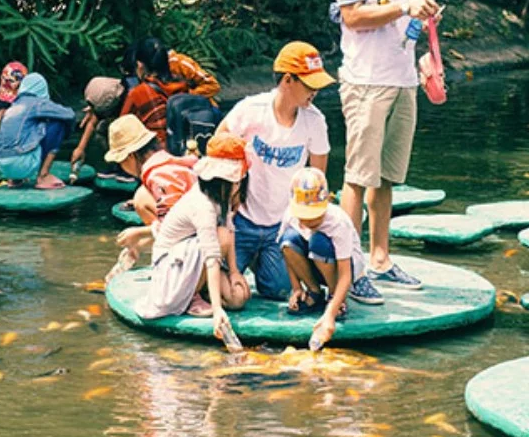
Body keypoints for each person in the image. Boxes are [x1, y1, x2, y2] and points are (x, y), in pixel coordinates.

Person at [331, 0, 441, 290]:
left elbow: (405, 2)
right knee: (358, 177)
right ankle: (349, 267)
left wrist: (421, 14)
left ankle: (379, 258)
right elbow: (352, 16)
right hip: (365, 79)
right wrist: (402, 7)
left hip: (402, 76)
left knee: (388, 177)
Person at [219, 41, 333, 301]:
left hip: (281, 225)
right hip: (241, 221)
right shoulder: (251, 110)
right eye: (309, 84)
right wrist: (231, 193)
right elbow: (218, 143)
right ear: (287, 80)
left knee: (278, 290)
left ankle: (266, 262)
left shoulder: (314, 121)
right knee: (229, 293)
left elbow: (318, 180)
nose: (315, 91)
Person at [144, 133, 252, 350]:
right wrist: (217, 310)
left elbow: (230, 231)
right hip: (171, 271)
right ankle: (192, 296)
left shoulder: (224, 199)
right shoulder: (202, 204)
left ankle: (200, 290)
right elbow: (212, 256)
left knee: (239, 297)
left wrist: (234, 272)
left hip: (192, 262)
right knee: (219, 237)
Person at [279, 167, 384, 351]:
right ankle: (314, 291)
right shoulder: (290, 214)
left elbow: (345, 273)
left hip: (341, 267)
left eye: (315, 217)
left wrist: (330, 314)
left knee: (318, 241)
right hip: (314, 262)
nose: (310, 222)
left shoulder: (337, 222)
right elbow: (286, 251)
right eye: (305, 218)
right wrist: (296, 287)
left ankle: (335, 297)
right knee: (288, 240)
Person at [105, 114, 199, 271]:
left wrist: (139, 233)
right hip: (201, 230)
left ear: (130, 156)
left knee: (141, 198)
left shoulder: (159, 175)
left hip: (200, 237)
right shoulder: (166, 163)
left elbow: (179, 225)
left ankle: (178, 268)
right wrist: (137, 247)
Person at [0, 72, 75, 189]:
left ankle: (14, 180)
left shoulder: (12, 106)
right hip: (21, 163)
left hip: (1, 165)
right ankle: (43, 176)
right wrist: (68, 133)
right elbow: (69, 114)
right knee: (58, 123)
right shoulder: (37, 103)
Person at [67, 76, 127, 179]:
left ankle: (127, 168)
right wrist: (80, 148)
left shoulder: (129, 96)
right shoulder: (103, 95)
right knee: (102, 129)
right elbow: (93, 121)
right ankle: (115, 165)